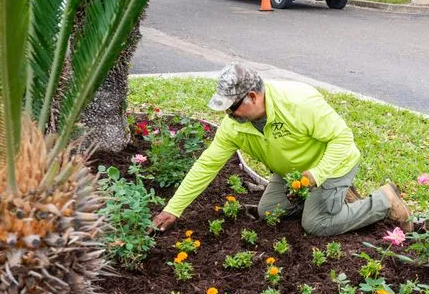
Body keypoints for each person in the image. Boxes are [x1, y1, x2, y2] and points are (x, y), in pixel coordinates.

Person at [151, 64, 412, 237]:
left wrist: (316, 175)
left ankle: (384, 201)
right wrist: (174, 208)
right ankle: (332, 200)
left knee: (316, 225)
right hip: (294, 174)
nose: (229, 114)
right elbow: (207, 165)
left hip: (333, 165)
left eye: (232, 107)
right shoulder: (235, 125)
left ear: (252, 97)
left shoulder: (299, 102)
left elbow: (343, 142)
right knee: (269, 211)